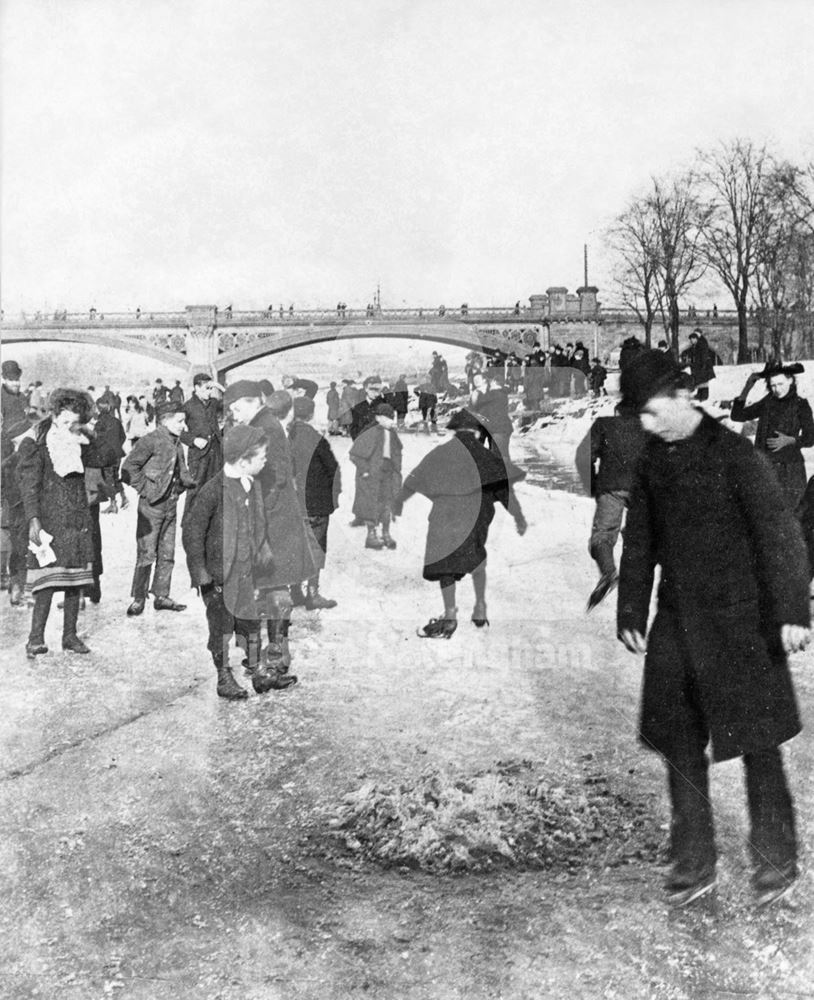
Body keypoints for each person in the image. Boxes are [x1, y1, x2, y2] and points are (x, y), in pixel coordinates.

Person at [617, 349, 810, 908]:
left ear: (682, 398)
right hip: (678, 620)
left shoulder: (736, 456)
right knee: (679, 745)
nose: (647, 426)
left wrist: (793, 611)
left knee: (759, 746)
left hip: (740, 622)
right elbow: (641, 540)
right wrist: (631, 609)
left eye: (652, 412)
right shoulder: (654, 460)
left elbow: (781, 536)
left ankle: (776, 863)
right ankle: (695, 863)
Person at [394, 408, 527, 638]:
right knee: (476, 556)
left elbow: (415, 478)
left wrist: (398, 501)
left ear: (455, 431)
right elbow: (504, 490)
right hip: (478, 514)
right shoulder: (487, 457)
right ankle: (480, 606)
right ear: (476, 432)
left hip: (446, 513)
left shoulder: (441, 452)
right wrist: (518, 516)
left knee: (446, 561)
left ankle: (450, 614)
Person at [183, 424, 284, 700]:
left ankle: (258, 671)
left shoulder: (253, 485)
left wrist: (262, 553)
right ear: (243, 460)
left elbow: (258, 523)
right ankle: (223, 677)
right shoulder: (212, 491)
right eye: (261, 456)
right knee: (221, 627)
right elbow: (192, 533)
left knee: (250, 623)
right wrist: (201, 574)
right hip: (218, 577)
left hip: (244, 572)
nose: (265, 461)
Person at [225, 381, 316, 684]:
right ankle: (272, 655)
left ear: (253, 402)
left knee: (276, 591)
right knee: (270, 590)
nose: (234, 414)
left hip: (276, 525)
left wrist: (253, 511)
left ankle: (277, 658)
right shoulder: (265, 423)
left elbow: (276, 478)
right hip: (273, 521)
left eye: (237, 409)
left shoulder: (266, 427)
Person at [16, 389, 97, 657]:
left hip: (76, 514)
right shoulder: (37, 441)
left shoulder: (80, 440)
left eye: (74, 422)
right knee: (48, 579)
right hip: (49, 517)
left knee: (76, 577)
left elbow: (100, 463)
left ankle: (70, 635)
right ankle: (35, 638)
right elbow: (29, 484)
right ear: (55, 413)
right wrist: (33, 519)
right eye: (65, 421)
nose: (69, 426)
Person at [121, 401, 195, 616]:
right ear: (166, 420)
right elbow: (128, 468)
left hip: (171, 506)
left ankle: (161, 595)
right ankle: (138, 598)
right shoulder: (150, 440)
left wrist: (185, 484)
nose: (184, 426)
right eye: (180, 421)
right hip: (151, 508)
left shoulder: (177, 442)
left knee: (168, 553)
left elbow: (182, 469)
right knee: (146, 553)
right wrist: (146, 489)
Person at [575, 400, 647, 610]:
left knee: (603, 536)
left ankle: (608, 572)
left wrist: (592, 485)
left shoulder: (604, 425)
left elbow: (583, 455)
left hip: (611, 487)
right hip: (643, 490)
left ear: (617, 412)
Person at [729, 362, 814, 511]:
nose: (777, 389)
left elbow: (810, 437)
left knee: (790, 515)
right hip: (765, 467)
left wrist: (791, 440)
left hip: (790, 472)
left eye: (780, 384)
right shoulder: (767, 402)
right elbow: (737, 415)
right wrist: (747, 387)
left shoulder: (800, 405)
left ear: (790, 380)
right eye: (773, 385)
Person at [287, 396, 341, 609]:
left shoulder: (287, 437)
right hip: (316, 504)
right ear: (311, 414)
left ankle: (295, 591)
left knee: (296, 547)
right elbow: (333, 469)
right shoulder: (316, 438)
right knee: (315, 548)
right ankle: (313, 593)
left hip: (293, 504)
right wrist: (333, 499)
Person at [349, 402, 402, 551]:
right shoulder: (370, 433)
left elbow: (397, 453)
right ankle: (371, 535)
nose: (390, 421)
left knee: (387, 501)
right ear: (378, 418)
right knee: (371, 503)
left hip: (387, 472)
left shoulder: (392, 434)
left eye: (392, 418)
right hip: (371, 474)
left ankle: (386, 533)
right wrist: (365, 470)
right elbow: (355, 455)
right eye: (387, 418)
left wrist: (397, 472)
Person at [180, 372, 222, 518]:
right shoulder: (188, 406)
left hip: (216, 452)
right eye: (206, 388)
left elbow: (232, 401)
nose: (209, 392)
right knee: (195, 490)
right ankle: (188, 525)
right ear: (196, 388)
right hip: (198, 457)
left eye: (211, 389)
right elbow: (176, 431)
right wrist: (193, 440)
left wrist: (220, 387)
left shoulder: (213, 404)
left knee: (215, 488)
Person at [470, 368, 513, 463]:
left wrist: (476, 393)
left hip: (497, 427)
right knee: (501, 453)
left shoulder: (493, 394)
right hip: (495, 426)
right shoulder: (500, 393)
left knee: (499, 454)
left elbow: (477, 403)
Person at [93, 401, 128, 513]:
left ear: (98, 410)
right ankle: (124, 497)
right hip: (117, 453)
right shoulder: (116, 421)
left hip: (106, 455)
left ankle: (113, 504)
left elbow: (96, 441)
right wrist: (117, 446)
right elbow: (123, 436)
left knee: (108, 478)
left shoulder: (99, 423)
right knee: (115, 476)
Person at [350, 375, 386, 441]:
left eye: (378, 390)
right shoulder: (358, 407)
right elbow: (353, 428)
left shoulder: (383, 405)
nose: (376, 393)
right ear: (366, 389)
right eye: (373, 389)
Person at [684, 329, 716, 401]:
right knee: (700, 380)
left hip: (703, 365)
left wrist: (702, 364)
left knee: (704, 380)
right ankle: (700, 393)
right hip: (699, 365)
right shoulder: (696, 344)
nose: (691, 341)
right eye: (691, 339)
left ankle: (704, 395)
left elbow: (703, 355)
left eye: (692, 339)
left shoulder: (702, 343)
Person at [1, 360, 26, 426]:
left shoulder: (22, 396)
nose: (15, 383)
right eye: (11, 380)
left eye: (17, 380)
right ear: (4, 379)